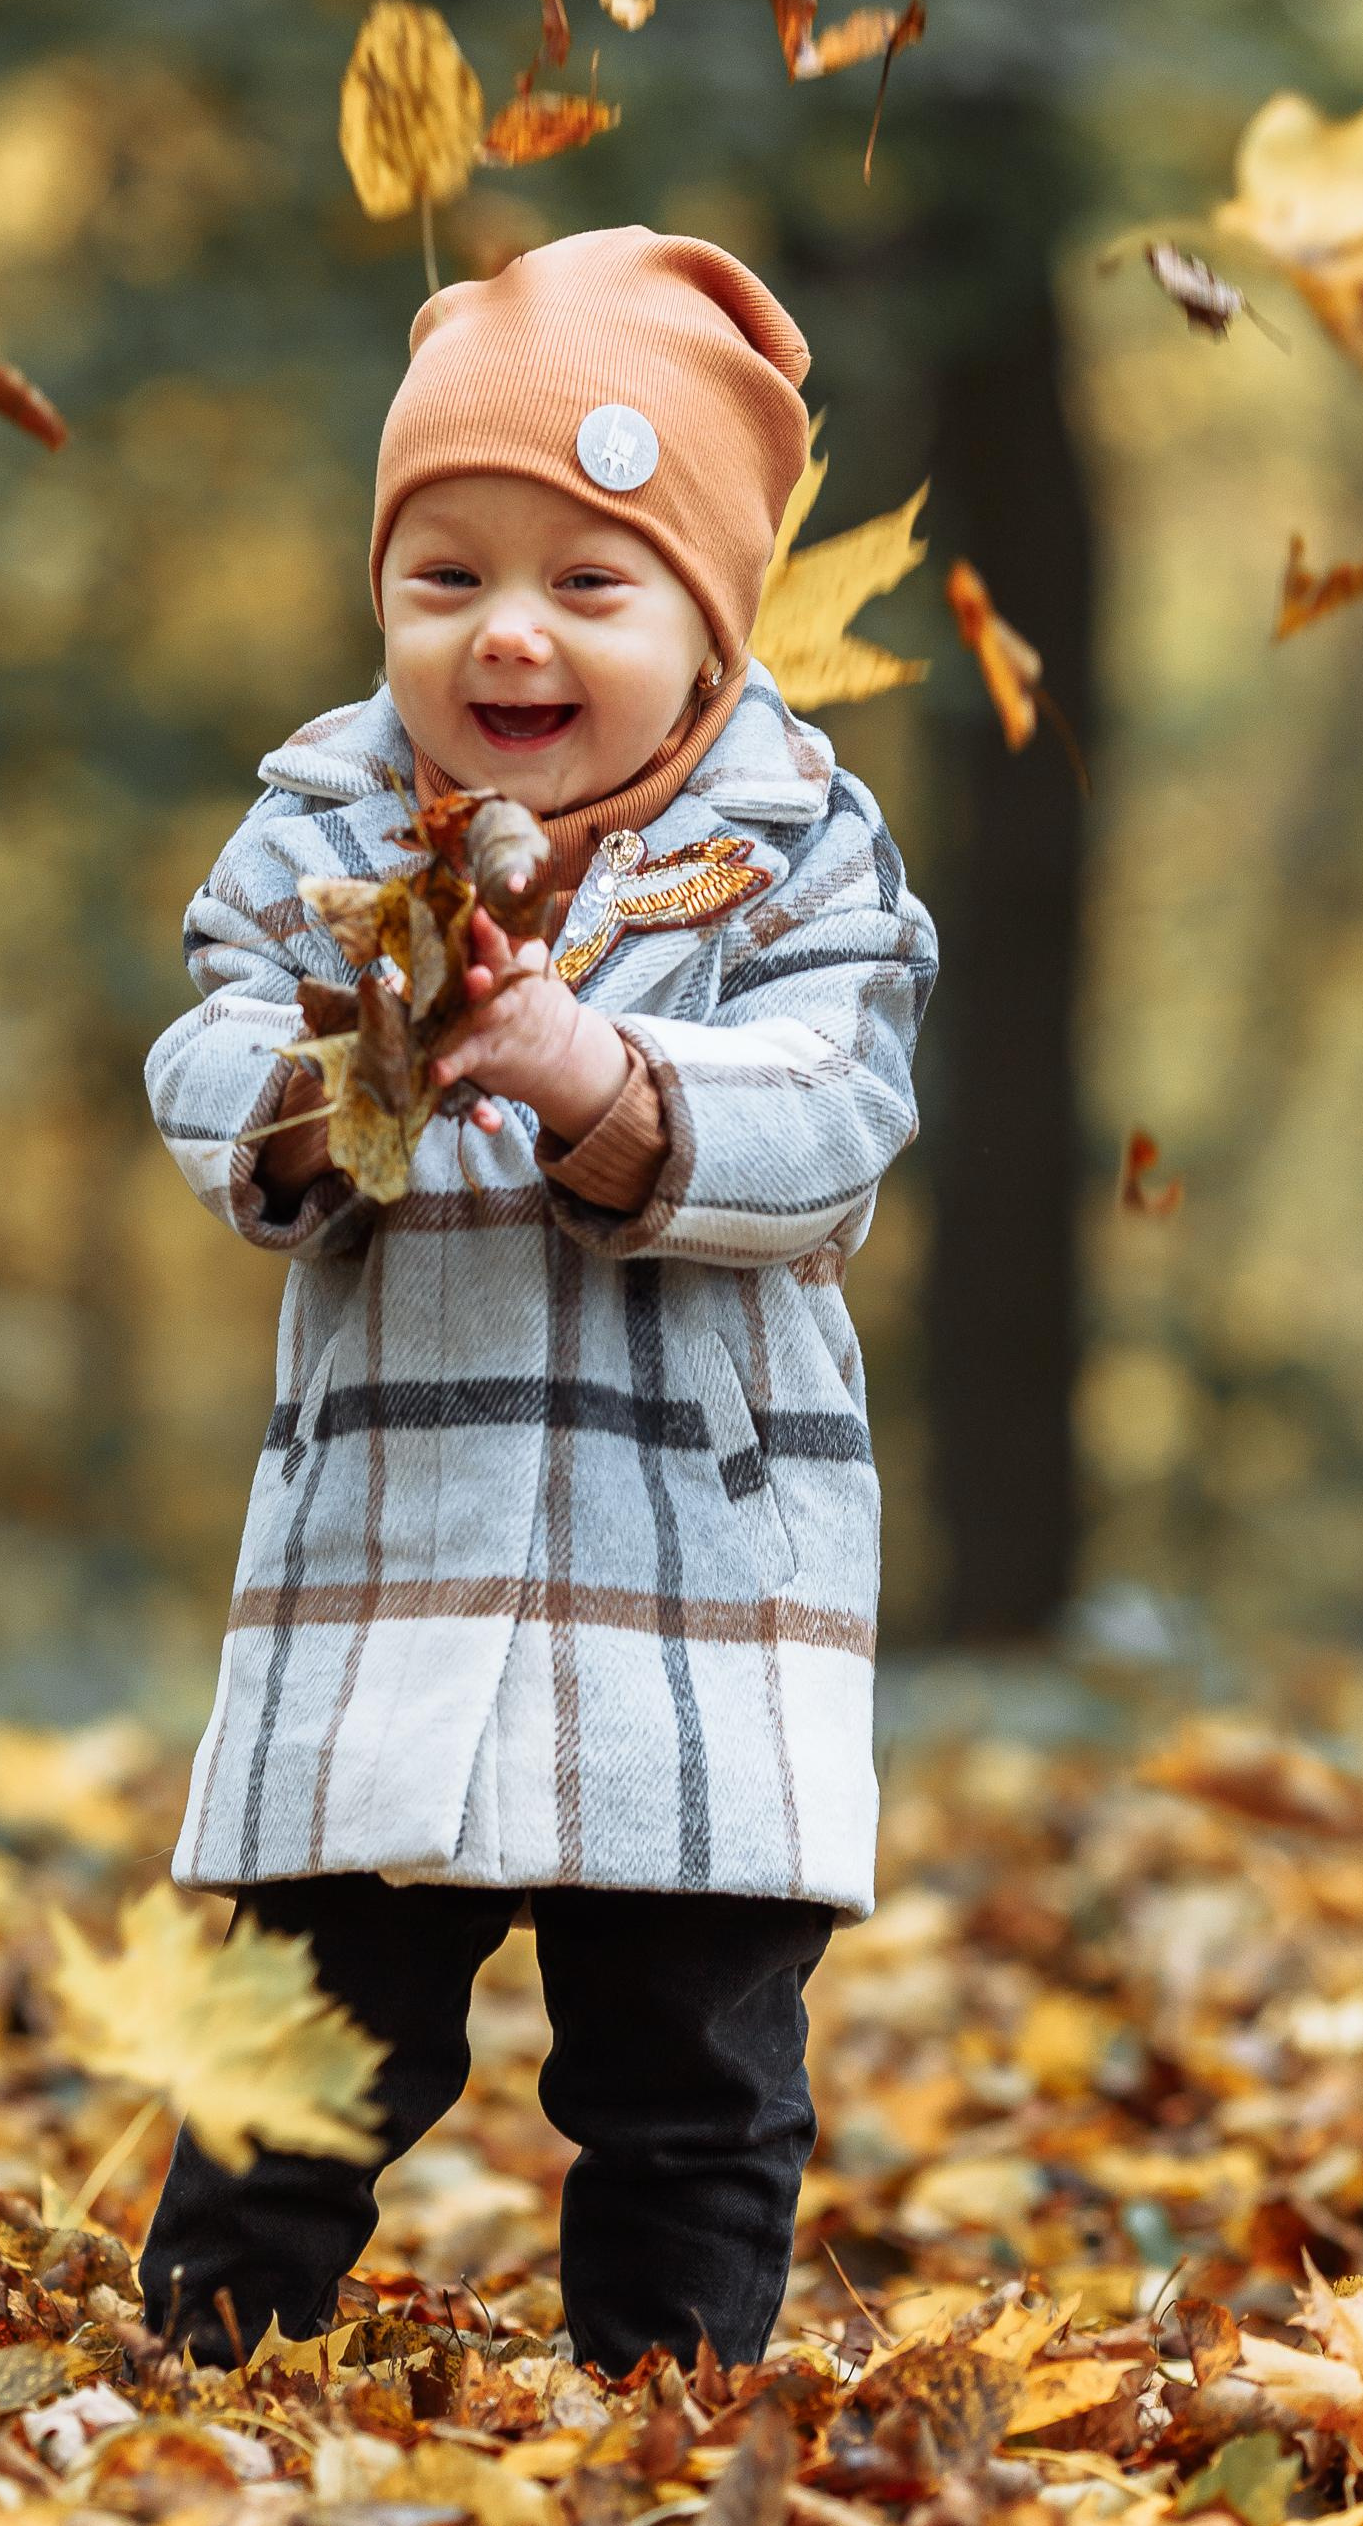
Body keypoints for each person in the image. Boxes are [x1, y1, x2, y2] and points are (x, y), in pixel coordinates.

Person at [138, 226, 937, 2375]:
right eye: (446, 576)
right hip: (386, 1567)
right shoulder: (323, 829)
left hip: (697, 1588)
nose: (508, 631)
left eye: (589, 582)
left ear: (705, 624)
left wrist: (607, 1075)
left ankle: (671, 2408)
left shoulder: (798, 853)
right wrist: (330, 1081)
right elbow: (201, 1054)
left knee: (691, 2082)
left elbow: (840, 1111)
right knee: (299, 2045)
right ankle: (204, 2379)